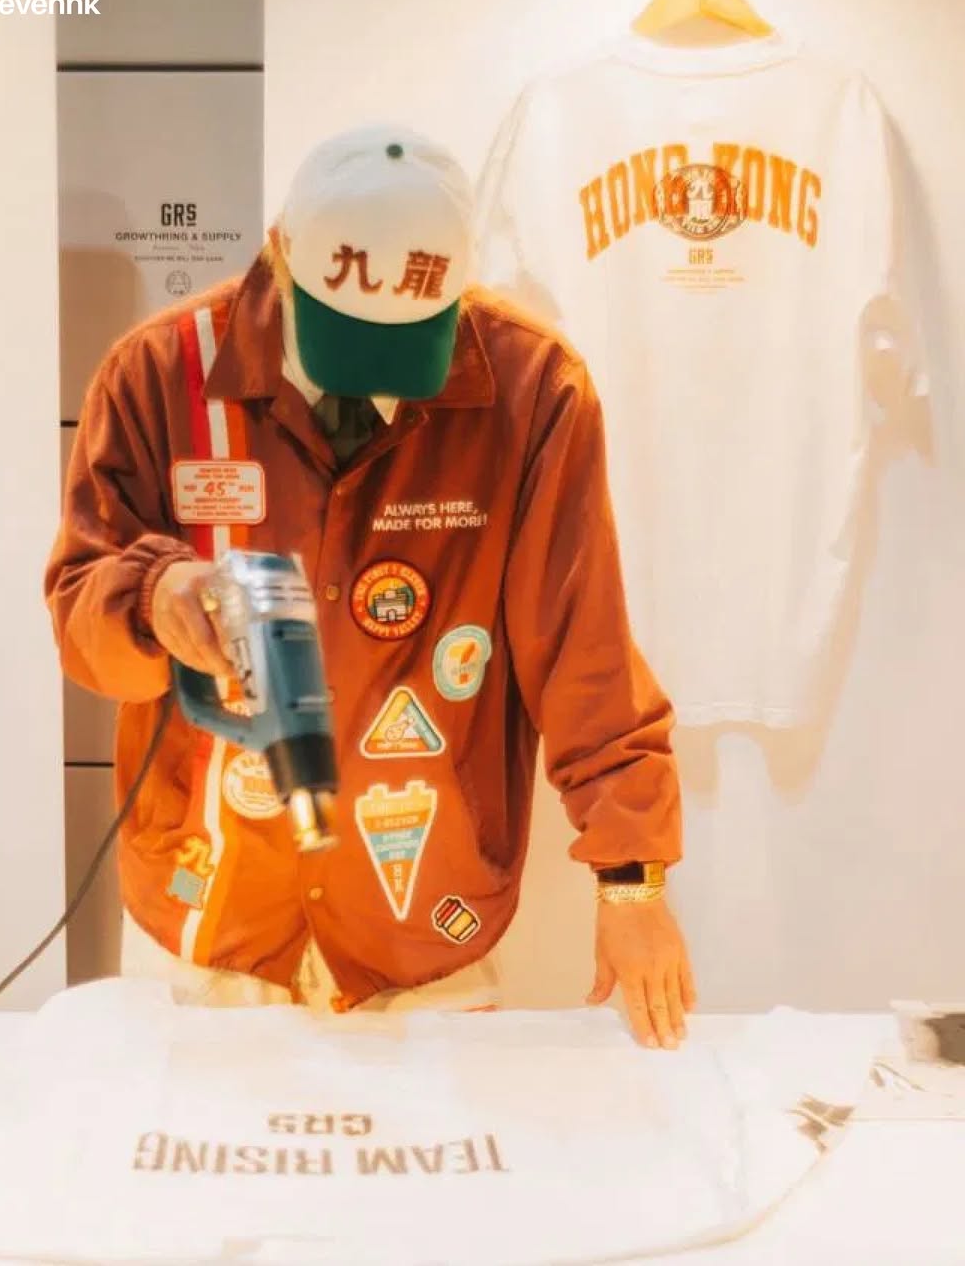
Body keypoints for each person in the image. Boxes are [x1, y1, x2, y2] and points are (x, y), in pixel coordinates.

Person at [45, 124, 696, 1046]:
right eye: (346, 337)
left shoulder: (532, 390)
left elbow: (581, 644)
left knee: (436, 1141)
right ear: (281, 254)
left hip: (424, 919)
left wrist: (631, 880)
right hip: (211, 913)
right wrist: (153, 600)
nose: (378, 379)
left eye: (404, 345)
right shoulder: (159, 375)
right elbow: (82, 617)